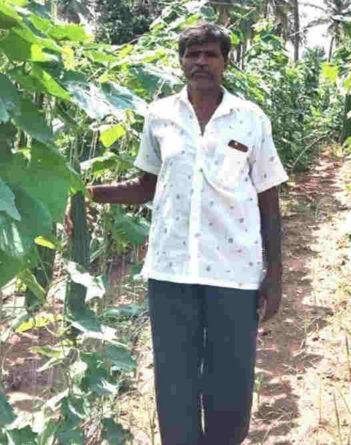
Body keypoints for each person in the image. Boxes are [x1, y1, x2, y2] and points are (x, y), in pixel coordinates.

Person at [87, 23, 287, 444]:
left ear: (226, 61)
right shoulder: (160, 115)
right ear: (180, 61)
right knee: (174, 382)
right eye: (192, 54)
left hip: (234, 273)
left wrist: (276, 273)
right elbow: (146, 184)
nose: (200, 62)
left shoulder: (251, 119)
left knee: (231, 381)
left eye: (210, 54)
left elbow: (269, 198)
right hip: (171, 272)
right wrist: (88, 192)